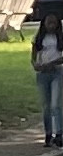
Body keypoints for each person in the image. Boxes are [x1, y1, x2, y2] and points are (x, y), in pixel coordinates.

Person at [32, 12, 63, 147]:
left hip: (57, 71)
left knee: (55, 104)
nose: (51, 26)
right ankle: (48, 133)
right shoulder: (39, 38)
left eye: (53, 23)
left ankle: (59, 133)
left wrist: (52, 64)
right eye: (48, 23)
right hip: (42, 73)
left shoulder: (59, 38)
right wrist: (35, 64)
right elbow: (34, 53)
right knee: (46, 106)